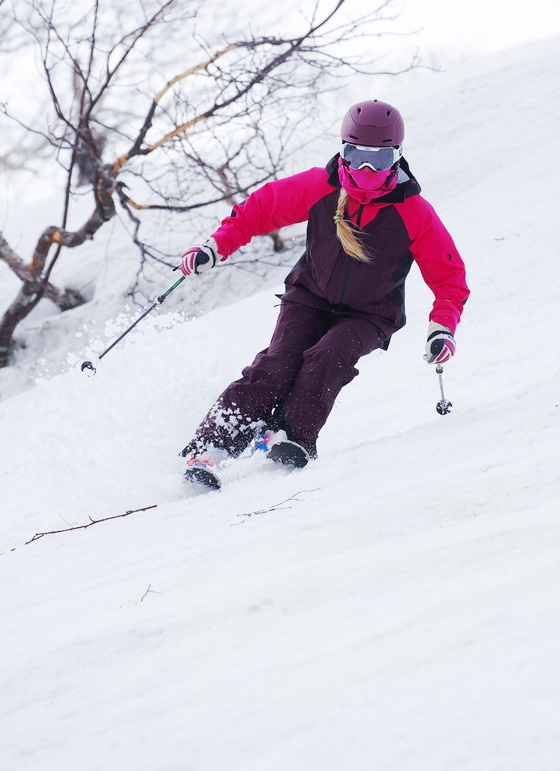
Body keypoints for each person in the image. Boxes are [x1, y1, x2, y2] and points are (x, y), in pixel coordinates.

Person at [178, 98, 469, 489]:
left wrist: (442, 328)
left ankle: (291, 436)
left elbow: (449, 276)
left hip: (370, 315)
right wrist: (216, 246)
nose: (367, 169)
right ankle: (213, 445)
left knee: (328, 357)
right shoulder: (320, 187)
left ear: (397, 157)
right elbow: (259, 210)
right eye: (356, 155)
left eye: (379, 160)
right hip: (309, 296)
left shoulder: (413, 212)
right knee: (278, 364)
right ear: (342, 151)